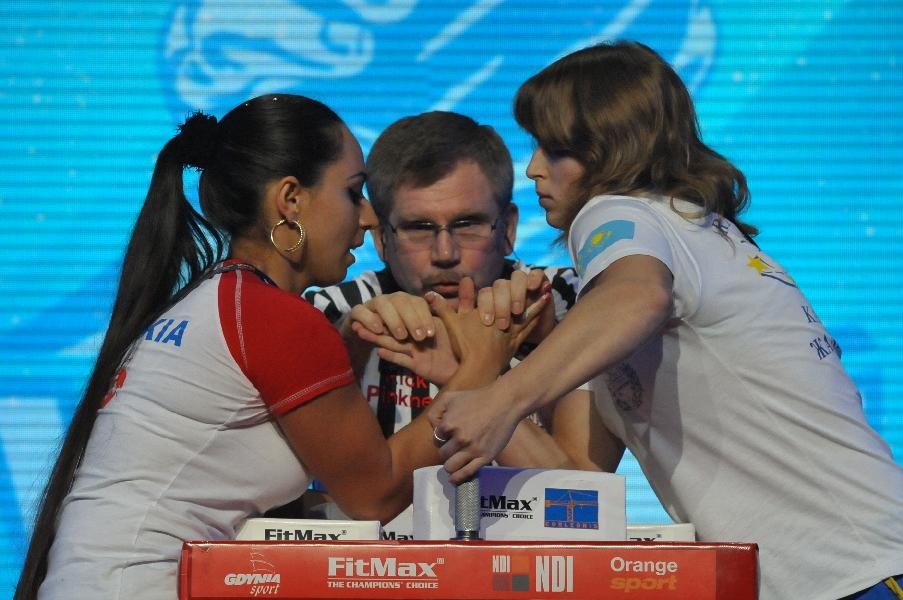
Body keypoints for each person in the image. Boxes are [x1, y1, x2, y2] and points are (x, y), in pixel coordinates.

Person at [15, 94, 544, 600]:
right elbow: (376, 494)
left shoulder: (219, 300)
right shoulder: (271, 317)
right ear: (291, 200)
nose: (366, 218)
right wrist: (482, 365)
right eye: (353, 192)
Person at [429, 41, 903, 600]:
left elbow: (638, 299)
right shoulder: (661, 253)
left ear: (608, 150)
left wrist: (504, 399)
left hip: (857, 571)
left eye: (552, 149)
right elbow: (579, 479)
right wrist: (477, 378)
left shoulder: (621, 213)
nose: (532, 168)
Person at [303, 110, 619, 475]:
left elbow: (583, 500)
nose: (445, 254)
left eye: (467, 225)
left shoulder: (568, 299)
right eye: (419, 228)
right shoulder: (331, 311)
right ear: (381, 239)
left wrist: (533, 346)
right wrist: (349, 352)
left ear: (508, 229)